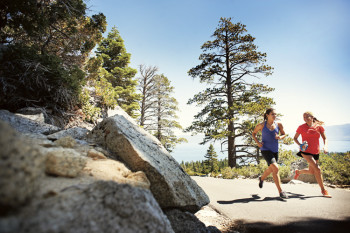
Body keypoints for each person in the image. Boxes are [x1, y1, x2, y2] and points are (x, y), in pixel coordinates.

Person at [293, 111, 331, 198]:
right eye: (304, 117)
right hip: (305, 151)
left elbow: (325, 138)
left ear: (312, 117)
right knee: (317, 170)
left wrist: (325, 146)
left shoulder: (319, 126)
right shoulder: (301, 127)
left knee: (311, 171)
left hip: (316, 152)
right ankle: (323, 190)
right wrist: (300, 145)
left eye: (307, 117)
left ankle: (298, 172)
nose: (305, 119)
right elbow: (295, 138)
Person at [252, 108, 288, 199]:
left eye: (275, 114)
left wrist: (280, 137)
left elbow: (284, 134)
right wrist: (258, 143)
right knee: (275, 168)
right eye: (272, 114)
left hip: (275, 150)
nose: (274, 116)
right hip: (265, 149)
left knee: (272, 169)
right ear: (267, 115)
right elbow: (254, 133)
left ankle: (261, 178)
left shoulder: (278, 125)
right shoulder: (261, 125)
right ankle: (281, 191)